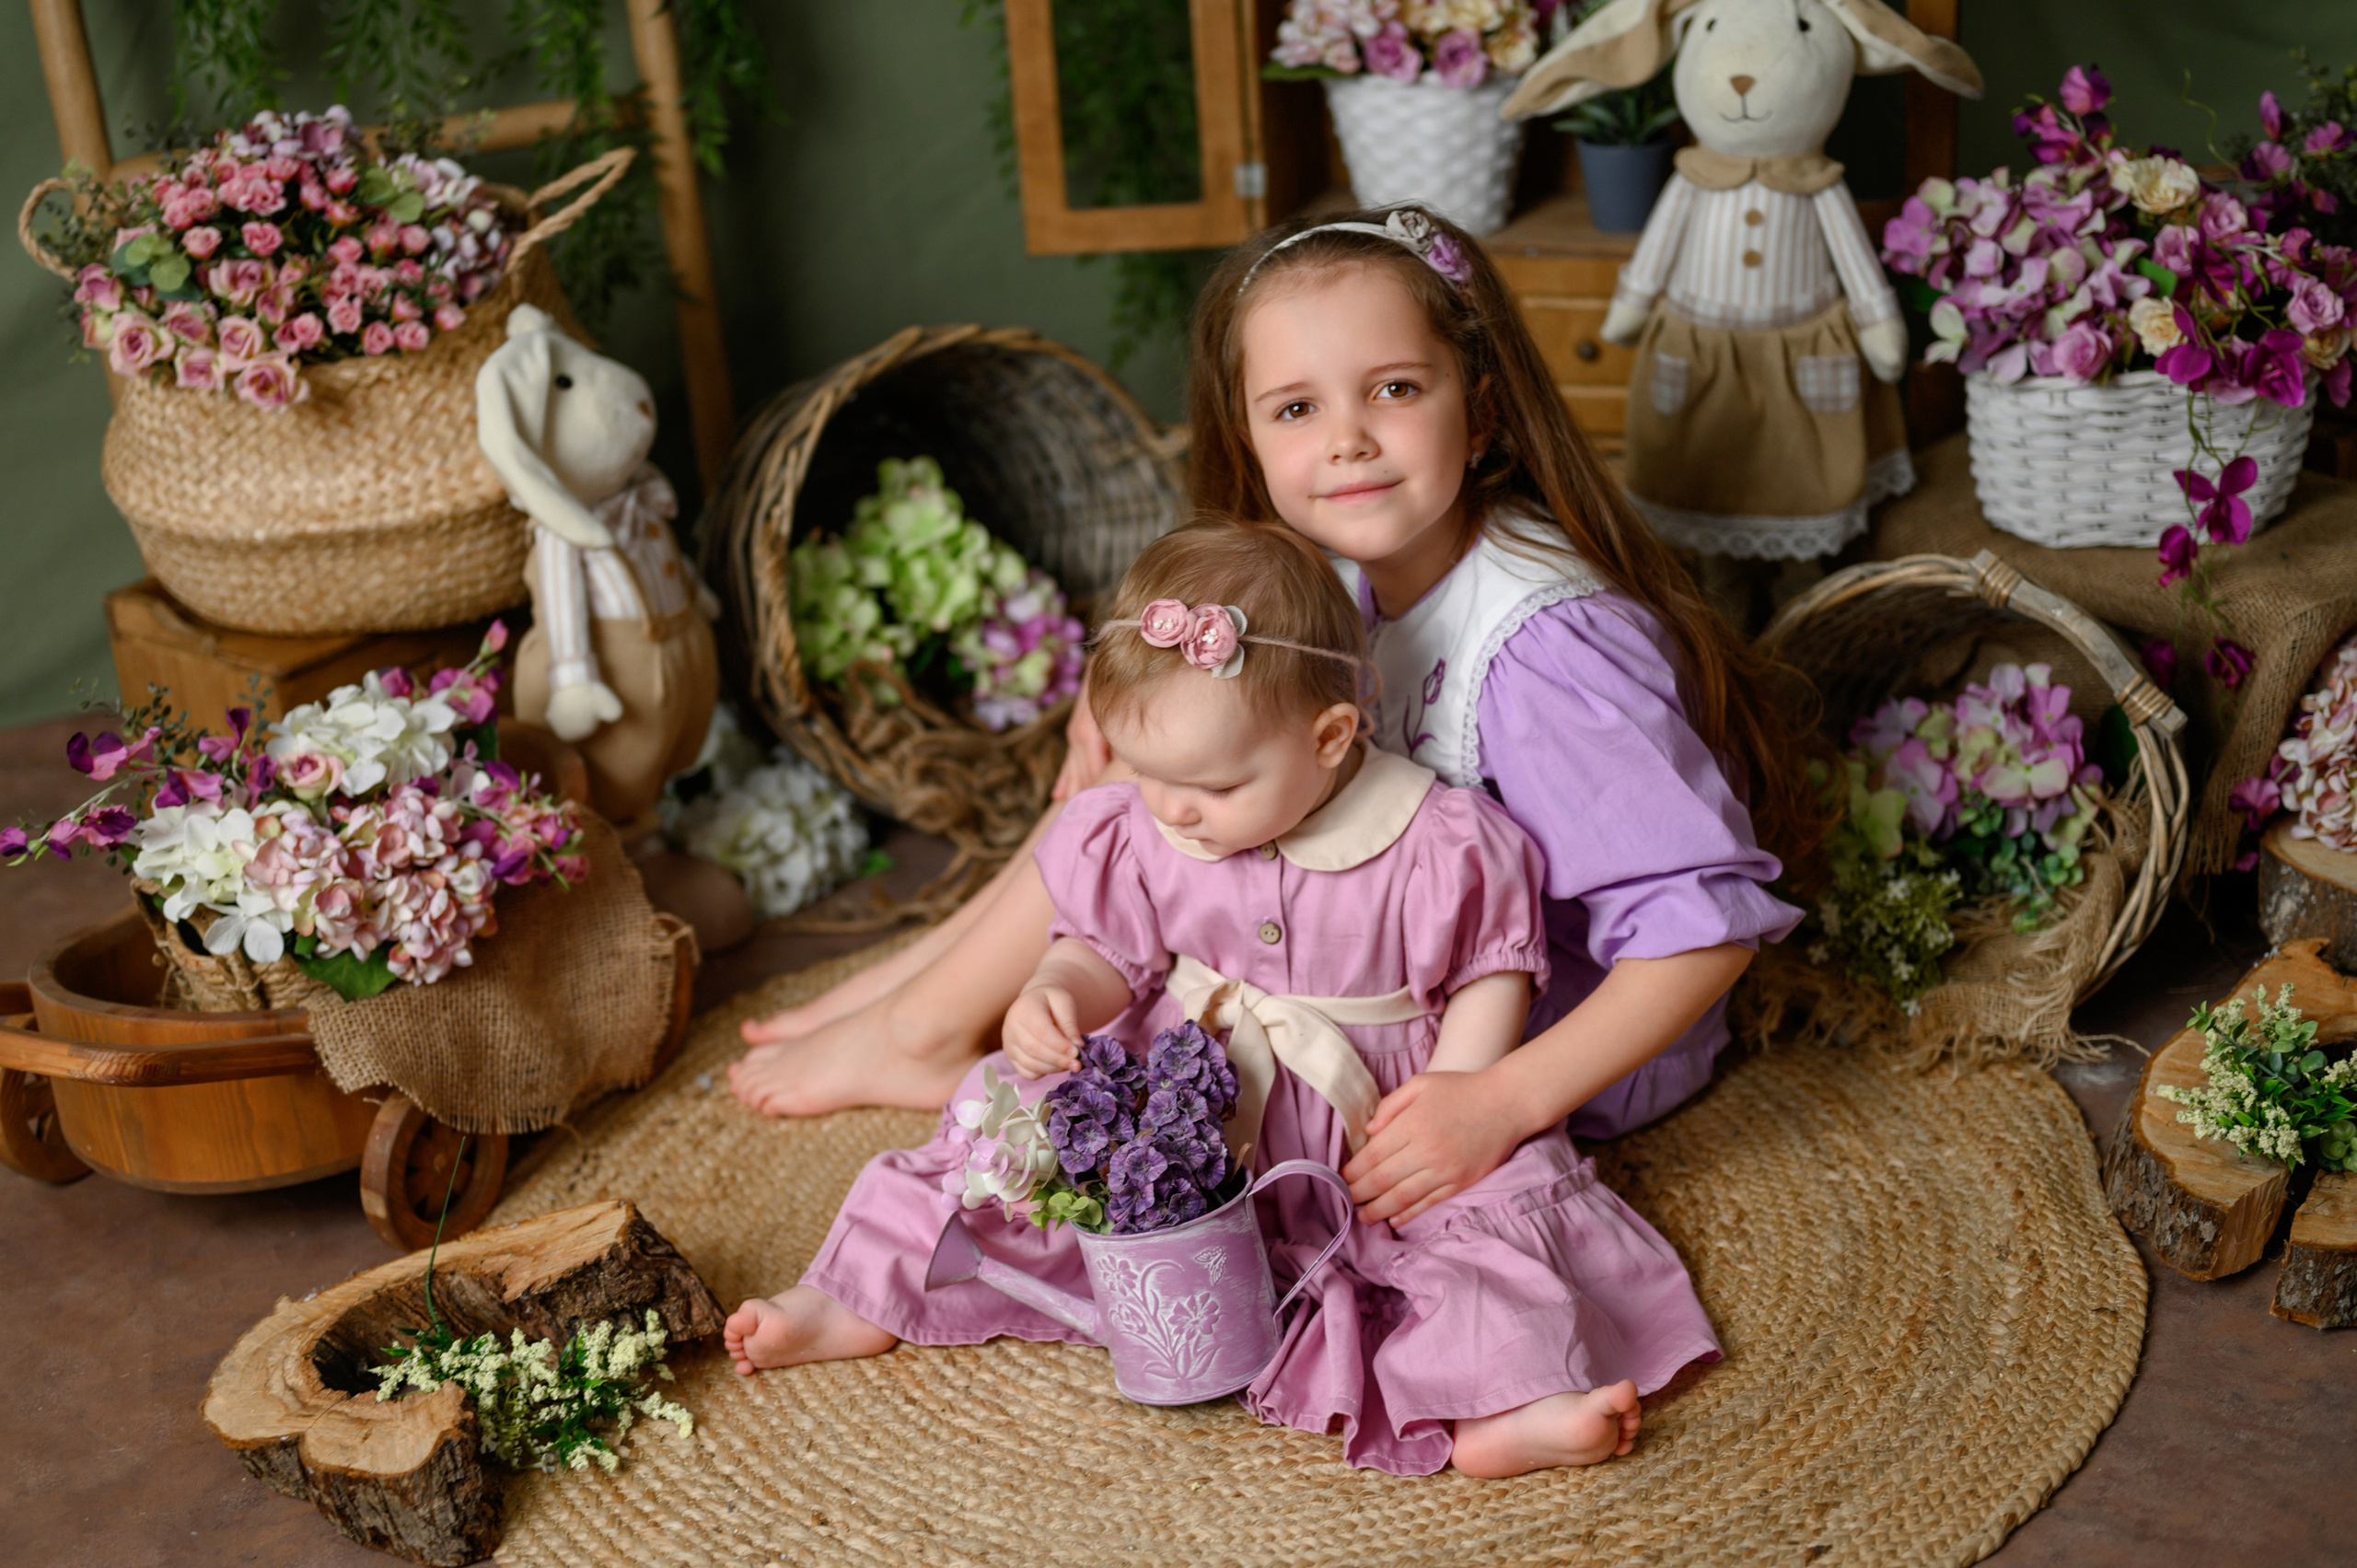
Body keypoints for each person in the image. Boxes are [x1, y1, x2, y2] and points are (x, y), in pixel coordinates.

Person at [731, 201, 1814, 1191]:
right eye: (1295, 407)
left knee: (1126, 1056)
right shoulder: (1344, 561)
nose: (1346, 438)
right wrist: (1121, 702)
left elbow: (1697, 931)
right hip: (1378, 941)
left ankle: (924, 1020)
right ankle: (920, 1000)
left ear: (1480, 412)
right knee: (1165, 750)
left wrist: (1499, 1100)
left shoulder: (1545, 651)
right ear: (1248, 434)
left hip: (1534, 1033)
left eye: (1394, 388)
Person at [725, 525, 1721, 1478]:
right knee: (1004, 1124)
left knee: (1481, 1216)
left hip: (1377, 1125)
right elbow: (1103, 947)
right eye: (1148, 773)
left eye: (1207, 784)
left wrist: (1465, 1097)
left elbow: (1487, 975)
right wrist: (1052, 990)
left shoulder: (1440, 841)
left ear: (1330, 735)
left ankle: (1507, 1399)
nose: (1172, 808)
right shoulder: (1147, 825)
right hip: (1178, 1111)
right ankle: (862, 1292)